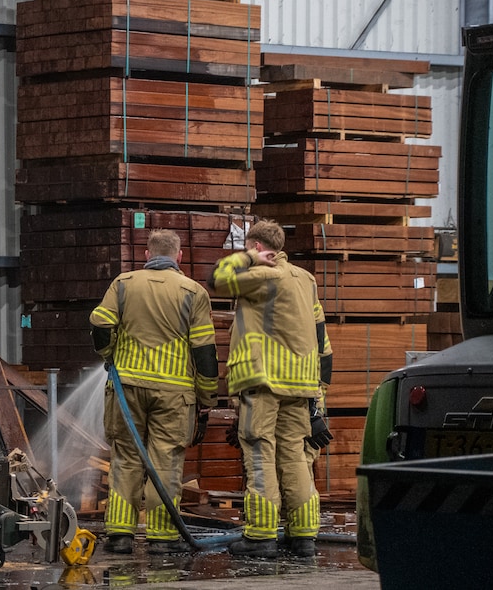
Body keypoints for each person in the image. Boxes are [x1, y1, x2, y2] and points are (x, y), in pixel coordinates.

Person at [208, 220, 333, 559]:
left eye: (248, 248)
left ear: (259, 247)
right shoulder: (306, 280)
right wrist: (319, 391)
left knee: (260, 452)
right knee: (294, 456)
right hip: (301, 384)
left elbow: (216, 278)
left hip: (263, 381)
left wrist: (248, 259)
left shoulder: (263, 274)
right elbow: (321, 337)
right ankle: (304, 535)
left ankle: (261, 536)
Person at [90, 229, 219, 555]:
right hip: (174, 394)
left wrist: (109, 356)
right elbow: (204, 351)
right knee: (166, 461)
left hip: (127, 389)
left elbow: (100, 323)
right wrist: (206, 399)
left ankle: (120, 535)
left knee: (125, 459)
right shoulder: (193, 292)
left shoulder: (124, 284)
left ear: (147, 255)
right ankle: (162, 537)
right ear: (179, 256)